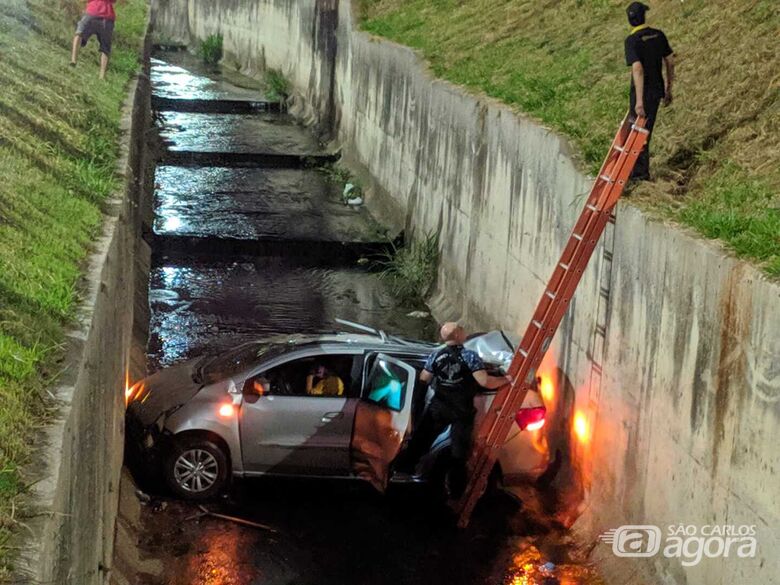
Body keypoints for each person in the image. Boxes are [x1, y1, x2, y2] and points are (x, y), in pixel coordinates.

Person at [394, 322, 511, 498]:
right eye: (461, 329)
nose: (465, 331)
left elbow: (424, 379)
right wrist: (507, 379)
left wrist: (418, 403)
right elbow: (485, 382)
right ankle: (457, 490)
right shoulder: (469, 357)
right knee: (459, 453)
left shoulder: (436, 355)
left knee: (420, 439)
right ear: (457, 336)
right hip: (461, 412)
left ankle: (403, 469)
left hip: (439, 407)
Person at [624, 2, 675, 180]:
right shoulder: (658, 35)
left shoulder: (632, 41)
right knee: (645, 131)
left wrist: (638, 101)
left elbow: (637, 69)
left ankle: (639, 175)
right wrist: (669, 88)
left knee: (638, 133)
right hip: (656, 90)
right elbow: (669, 61)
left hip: (642, 93)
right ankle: (637, 172)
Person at [71, 0, 119, 80]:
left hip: (93, 12)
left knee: (79, 33)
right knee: (106, 48)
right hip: (108, 17)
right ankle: (102, 75)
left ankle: (73, 60)